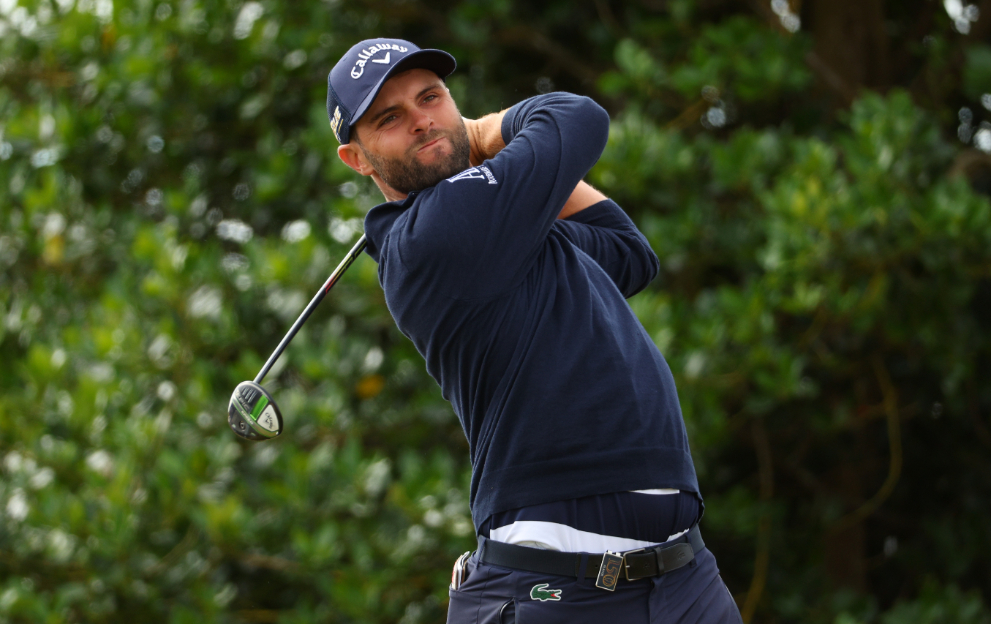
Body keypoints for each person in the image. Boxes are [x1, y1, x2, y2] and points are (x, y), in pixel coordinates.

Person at [327, 38, 743, 624]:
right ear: (359, 159)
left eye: (431, 97)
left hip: (683, 577)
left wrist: (536, 185)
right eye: (389, 118)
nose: (422, 120)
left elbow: (628, 254)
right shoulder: (431, 239)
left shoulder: (505, 232)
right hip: (555, 590)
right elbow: (576, 116)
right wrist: (482, 134)